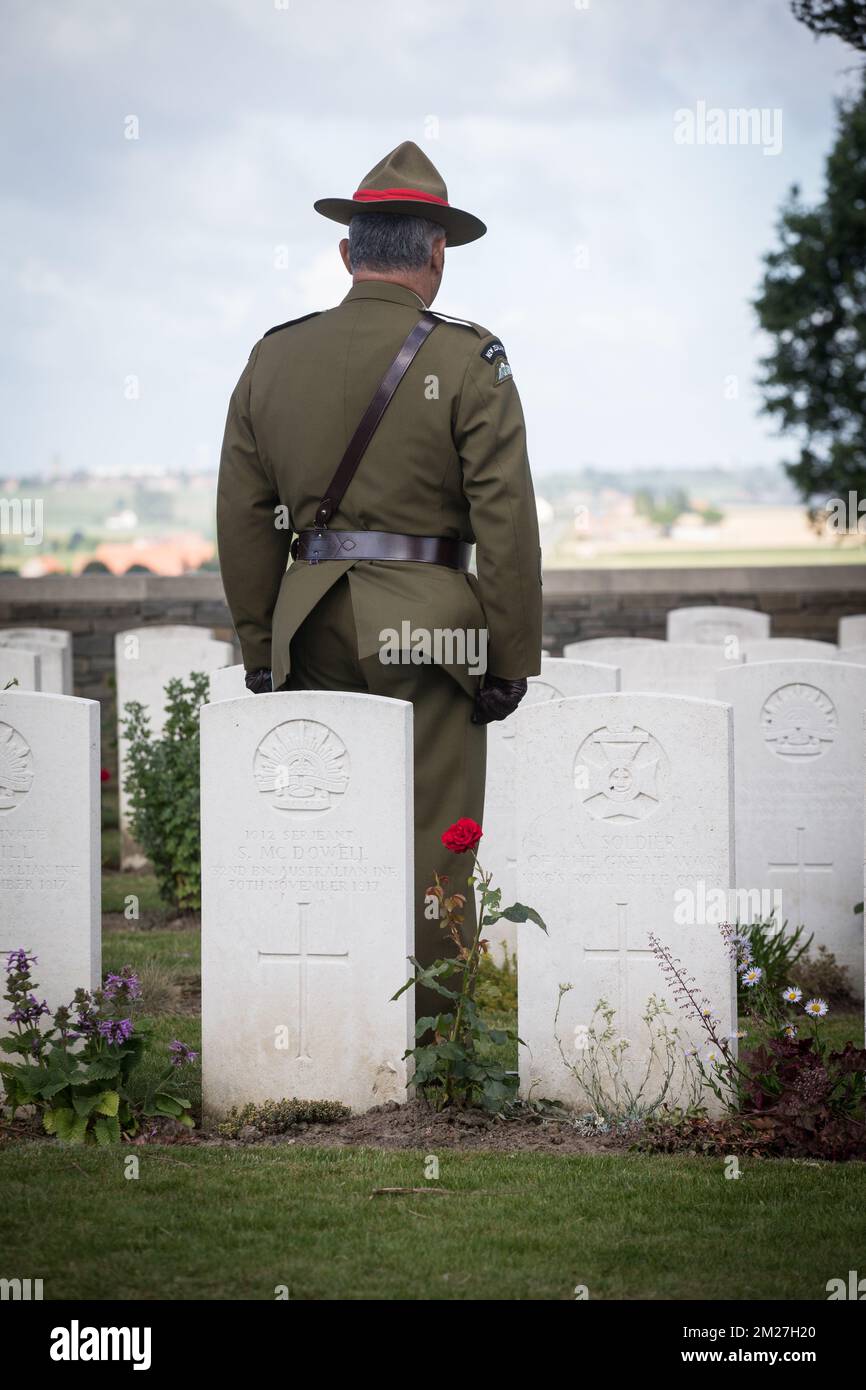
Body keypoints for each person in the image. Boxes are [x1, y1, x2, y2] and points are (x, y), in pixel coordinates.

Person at [217, 140, 543, 1019]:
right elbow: (504, 520)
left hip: (308, 618)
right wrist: (509, 657)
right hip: (428, 630)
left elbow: (246, 518)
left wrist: (260, 643)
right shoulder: (470, 361)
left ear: (346, 252)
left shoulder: (271, 357)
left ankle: (322, 1015)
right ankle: (435, 1038)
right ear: (436, 253)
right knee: (437, 836)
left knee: (318, 836)